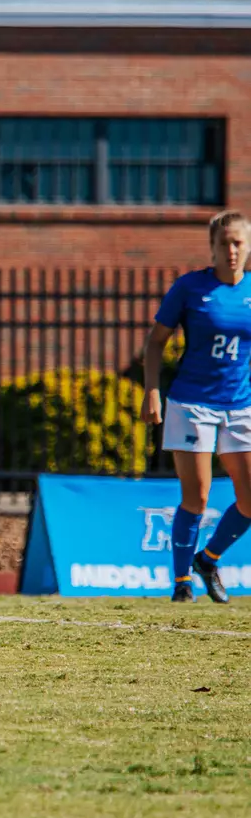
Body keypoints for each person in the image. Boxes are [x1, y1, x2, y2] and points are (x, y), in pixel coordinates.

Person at [143, 208, 251, 604]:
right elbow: (155, 342)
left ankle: (210, 558)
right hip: (193, 404)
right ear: (212, 248)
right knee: (198, 497)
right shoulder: (190, 288)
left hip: (240, 406)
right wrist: (151, 391)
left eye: (238, 242)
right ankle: (182, 582)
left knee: (250, 497)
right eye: (223, 244)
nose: (232, 250)